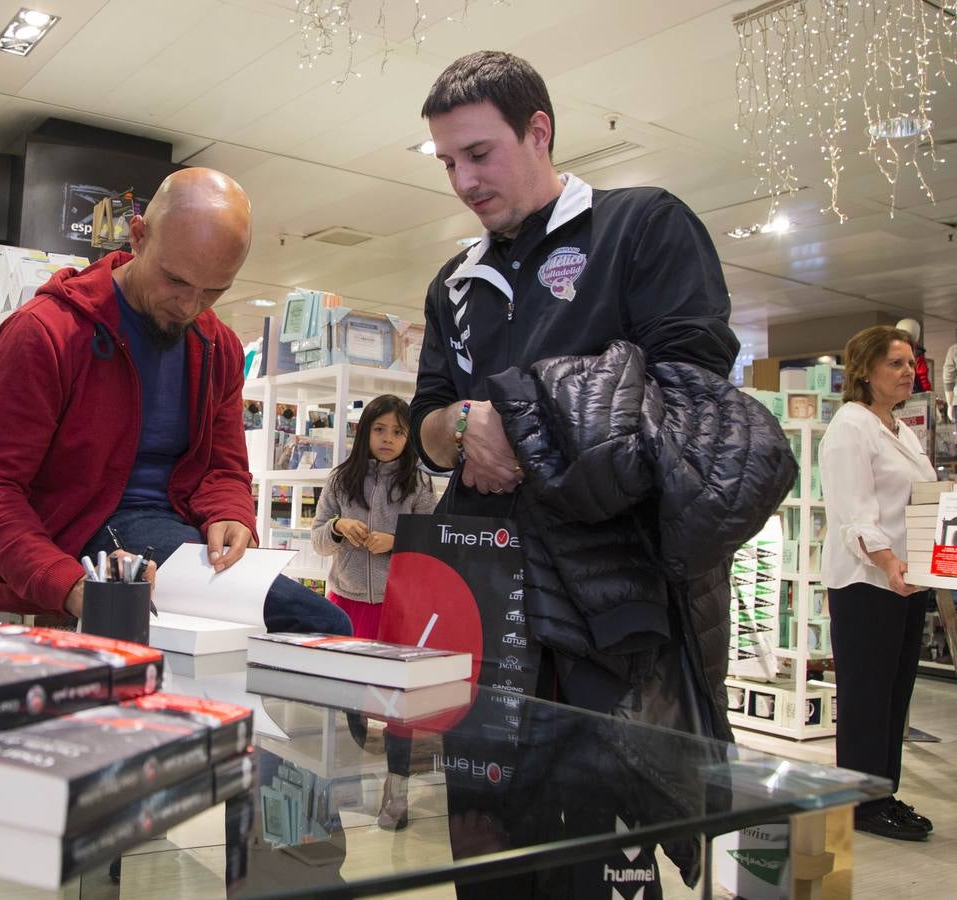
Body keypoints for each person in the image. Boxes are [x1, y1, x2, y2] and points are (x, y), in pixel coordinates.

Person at [406, 49, 796, 897]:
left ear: (538, 130)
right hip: (487, 604)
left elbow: (692, 394)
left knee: (601, 857)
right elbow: (425, 424)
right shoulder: (454, 284)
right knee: (490, 851)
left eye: (479, 153)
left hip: (611, 615)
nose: (463, 180)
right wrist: (462, 424)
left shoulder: (641, 227)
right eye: (447, 163)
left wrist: (524, 414)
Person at [0, 167, 350, 636]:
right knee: (317, 622)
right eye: (176, 281)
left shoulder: (216, 345)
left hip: (176, 546)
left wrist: (231, 513)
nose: (189, 306)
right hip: (76, 549)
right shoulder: (44, 334)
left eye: (214, 290)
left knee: (320, 627)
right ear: (137, 236)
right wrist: (66, 582)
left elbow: (224, 469)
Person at [819, 325, 935, 842]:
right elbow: (854, 512)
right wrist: (888, 562)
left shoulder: (900, 428)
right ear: (865, 371)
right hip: (868, 581)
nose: (908, 372)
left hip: (907, 581)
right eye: (896, 363)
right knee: (867, 695)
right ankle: (859, 805)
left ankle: (881, 792)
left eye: (911, 363)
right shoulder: (851, 425)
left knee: (895, 693)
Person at [310, 394, 438, 830]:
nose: (388, 439)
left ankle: (396, 791)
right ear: (364, 431)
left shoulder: (419, 486)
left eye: (398, 432)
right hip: (345, 603)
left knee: (399, 704)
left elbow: (433, 546)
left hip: (398, 607)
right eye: (379, 429)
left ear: (409, 438)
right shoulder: (340, 479)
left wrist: (395, 542)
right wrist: (337, 529)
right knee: (346, 699)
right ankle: (345, 786)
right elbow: (317, 540)